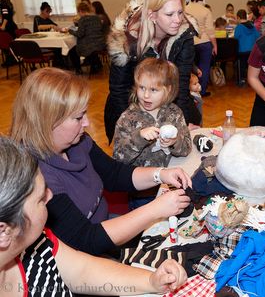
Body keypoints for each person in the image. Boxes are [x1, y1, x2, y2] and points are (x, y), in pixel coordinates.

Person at [10, 68, 192, 256]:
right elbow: (87, 240)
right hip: (85, 257)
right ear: (47, 121)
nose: (87, 122)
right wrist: (155, 210)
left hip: (106, 227)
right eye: (78, 117)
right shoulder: (37, 177)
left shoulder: (77, 141)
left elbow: (114, 174)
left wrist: (160, 174)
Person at [0, 136, 187, 296]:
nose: (50, 196)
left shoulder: (36, 241)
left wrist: (151, 281)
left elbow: (83, 270)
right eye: (41, 198)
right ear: (4, 231)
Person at [105, 0, 200, 145]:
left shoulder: (184, 34)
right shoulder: (126, 39)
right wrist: (131, 127)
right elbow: (119, 90)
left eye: (180, 12)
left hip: (171, 103)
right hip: (132, 106)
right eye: (170, 14)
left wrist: (183, 124)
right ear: (152, 16)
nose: (177, 20)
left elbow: (181, 85)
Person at [113, 58, 191, 208]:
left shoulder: (174, 113)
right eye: (141, 88)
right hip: (142, 193)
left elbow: (186, 148)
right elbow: (118, 160)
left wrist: (175, 142)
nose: (146, 95)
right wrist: (139, 137)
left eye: (153, 90)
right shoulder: (127, 118)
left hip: (172, 186)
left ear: (168, 90)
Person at [185, 0, 217, 97]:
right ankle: (201, 91)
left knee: (189, 67)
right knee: (204, 67)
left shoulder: (185, 9)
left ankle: (190, 90)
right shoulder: (205, 10)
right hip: (204, 42)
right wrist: (215, 46)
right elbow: (210, 31)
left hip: (189, 42)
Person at [65, 2, 106, 74]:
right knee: (88, 49)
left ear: (80, 11)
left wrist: (69, 31)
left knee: (72, 51)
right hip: (100, 44)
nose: (79, 14)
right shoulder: (97, 18)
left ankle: (78, 70)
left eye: (78, 12)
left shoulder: (83, 20)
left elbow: (79, 34)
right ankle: (95, 64)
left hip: (89, 46)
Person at [234, 9, 260, 86]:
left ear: (238, 18)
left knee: (241, 64)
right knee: (249, 65)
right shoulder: (252, 26)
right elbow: (257, 36)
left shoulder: (239, 27)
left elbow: (236, 38)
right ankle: (251, 79)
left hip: (241, 51)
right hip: (252, 50)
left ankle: (241, 80)